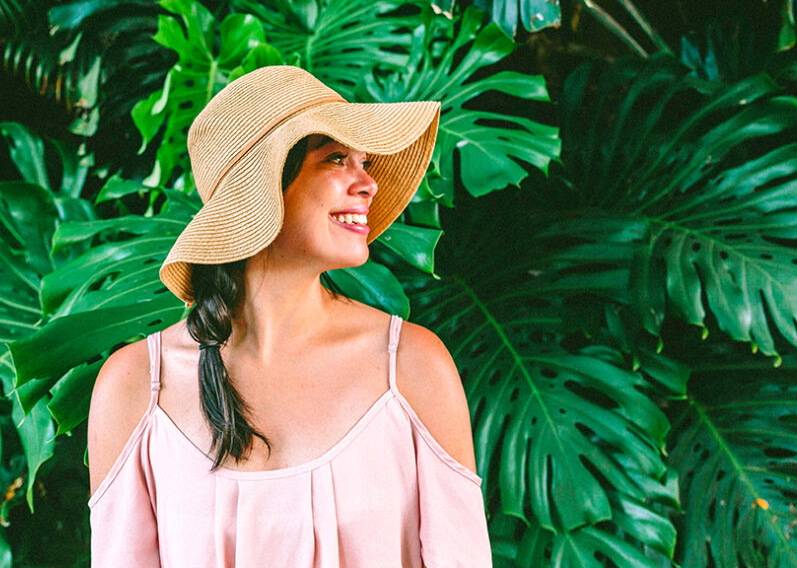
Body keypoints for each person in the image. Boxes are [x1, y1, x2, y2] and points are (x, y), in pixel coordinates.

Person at [86, 65, 492, 566]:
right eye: (337, 159)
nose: (368, 184)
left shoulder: (412, 367)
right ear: (263, 191)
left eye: (364, 162)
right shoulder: (134, 387)